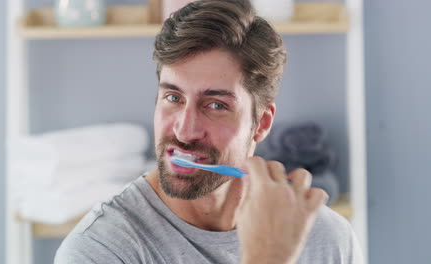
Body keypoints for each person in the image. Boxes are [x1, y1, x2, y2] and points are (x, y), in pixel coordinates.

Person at [55, 0, 363, 263]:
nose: (186, 131)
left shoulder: (327, 239)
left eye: (215, 105)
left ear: (263, 123)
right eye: (173, 98)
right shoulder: (99, 250)